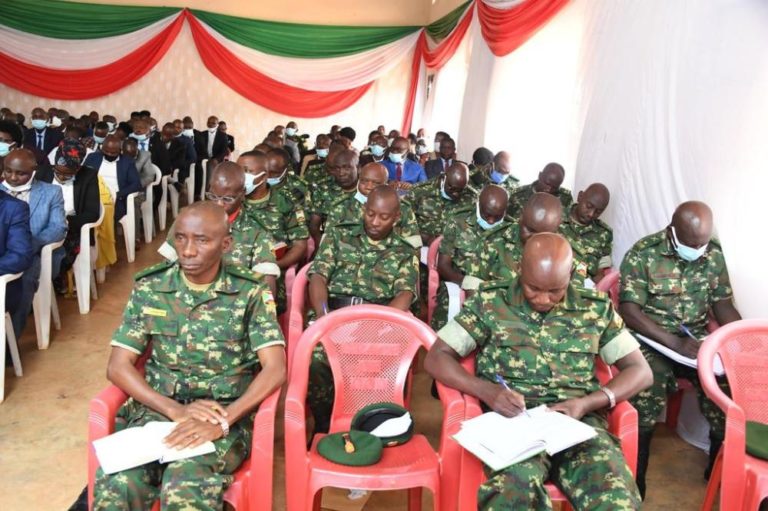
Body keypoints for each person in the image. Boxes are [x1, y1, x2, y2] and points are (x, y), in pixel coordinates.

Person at [425, 233, 651, 510]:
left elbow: (640, 371)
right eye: (533, 288)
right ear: (520, 268)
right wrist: (487, 391)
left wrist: (588, 403)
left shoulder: (595, 308)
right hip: (511, 423)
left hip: (578, 423)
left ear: (571, 274)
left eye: (554, 290)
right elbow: (436, 358)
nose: (543, 299)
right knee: (512, 492)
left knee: (615, 496)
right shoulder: (490, 302)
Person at [93, 202, 286, 511]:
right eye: (180, 238)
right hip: (157, 413)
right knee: (118, 482)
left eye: (201, 240)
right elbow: (118, 366)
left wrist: (224, 420)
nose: (187, 250)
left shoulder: (250, 292)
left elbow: (275, 368)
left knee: (185, 484)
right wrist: (174, 410)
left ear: (225, 244)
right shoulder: (151, 286)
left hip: (222, 415)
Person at [619, 200, 741, 498]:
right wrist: (674, 343)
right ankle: (637, 482)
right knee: (646, 386)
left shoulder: (712, 254)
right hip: (652, 338)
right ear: (672, 230)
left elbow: (722, 304)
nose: (698, 250)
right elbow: (630, 311)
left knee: (728, 387)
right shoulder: (644, 252)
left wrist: (736, 343)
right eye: (691, 244)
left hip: (695, 341)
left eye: (702, 244)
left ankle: (719, 471)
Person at [307, 185, 419, 433]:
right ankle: (324, 422)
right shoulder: (338, 236)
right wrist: (325, 320)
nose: (375, 222)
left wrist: (372, 331)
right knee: (315, 358)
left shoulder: (404, 251)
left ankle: (374, 422)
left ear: (397, 217)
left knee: (391, 358)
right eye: (370, 214)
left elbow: (405, 294)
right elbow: (318, 278)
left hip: (380, 322)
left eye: (384, 217)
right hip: (334, 316)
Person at [161, 162, 280, 296]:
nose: (219, 204)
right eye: (213, 196)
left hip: (232, 307)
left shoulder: (257, 232)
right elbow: (166, 271)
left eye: (227, 199)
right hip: (184, 300)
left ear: (242, 194)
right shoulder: (188, 221)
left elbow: (266, 291)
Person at [1, 149, 66, 338]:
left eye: (21, 173)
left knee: (25, 281)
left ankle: (9, 341)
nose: (13, 177)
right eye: (8, 171)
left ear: (33, 170)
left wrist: (30, 244)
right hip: (4, 251)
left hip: (33, 252)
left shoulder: (50, 192)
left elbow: (57, 227)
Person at [432, 185, 512, 330]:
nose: (492, 221)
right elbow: (443, 266)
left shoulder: (512, 229)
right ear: (478, 204)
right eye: (487, 214)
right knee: (444, 330)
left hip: (497, 291)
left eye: (498, 216)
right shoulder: (458, 221)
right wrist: (466, 282)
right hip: (457, 284)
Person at [238, 151, 309, 314]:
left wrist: (272, 265)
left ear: (263, 176)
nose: (242, 176)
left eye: (247, 171)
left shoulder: (286, 203)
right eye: (239, 170)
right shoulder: (231, 199)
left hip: (271, 275)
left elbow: (300, 245)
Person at [36, 139, 100, 280]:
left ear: (78, 168)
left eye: (68, 174)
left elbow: (92, 213)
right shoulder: (42, 172)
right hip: (41, 223)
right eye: (58, 172)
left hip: (71, 227)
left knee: (55, 253)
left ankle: (51, 280)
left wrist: (64, 221)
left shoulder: (88, 176)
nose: (62, 177)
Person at [325, 162, 421, 249]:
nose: (369, 186)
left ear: (386, 184)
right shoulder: (341, 205)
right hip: (349, 257)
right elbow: (329, 241)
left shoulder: (402, 208)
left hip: (389, 258)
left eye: (376, 183)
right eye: (364, 181)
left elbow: (414, 243)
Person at [487, 192, 563, 281]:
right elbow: (473, 283)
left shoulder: (566, 255)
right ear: (521, 215)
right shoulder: (494, 240)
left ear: (557, 226)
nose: (535, 239)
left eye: (543, 235)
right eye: (530, 230)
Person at [409, 162, 476, 246]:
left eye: (460, 190)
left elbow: (474, 231)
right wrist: (425, 239)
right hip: (422, 247)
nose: (456, 194)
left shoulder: (471, 197)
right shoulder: (420, 192)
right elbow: (404, 224)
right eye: (452, 188)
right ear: (444, 177)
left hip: (456, 250)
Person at [558, 183, 613, 284]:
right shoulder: (555, 216)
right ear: (580, 196)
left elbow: (600, 273)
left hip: (581, 289)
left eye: (598, 212)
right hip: (549, 279)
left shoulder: (604, 234)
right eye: (589, 206)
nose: (591, 214)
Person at [83, 135, 142, 227]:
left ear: (120, 150)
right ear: (102, 148)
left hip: (115, 198)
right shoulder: (93, 157)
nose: (109, 155)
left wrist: (117, 194)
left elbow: (136, 184)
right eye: (106, 151)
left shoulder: (127, 162)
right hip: (92, 196)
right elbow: (84, 176)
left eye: (113, 153)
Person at [307, 149, 359, 249]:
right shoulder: (323, 189)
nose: (341, 173)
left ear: (358, 167)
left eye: (347, 168)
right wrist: (320, 246)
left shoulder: (366, 189)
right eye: (337, 168)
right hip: (330, 244)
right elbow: (314, 225)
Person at [507, 163, 573, 219]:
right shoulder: (518, 195)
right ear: (540, 175)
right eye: (547, 184)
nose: (549, 189)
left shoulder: (566, 198)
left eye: (554, 187)